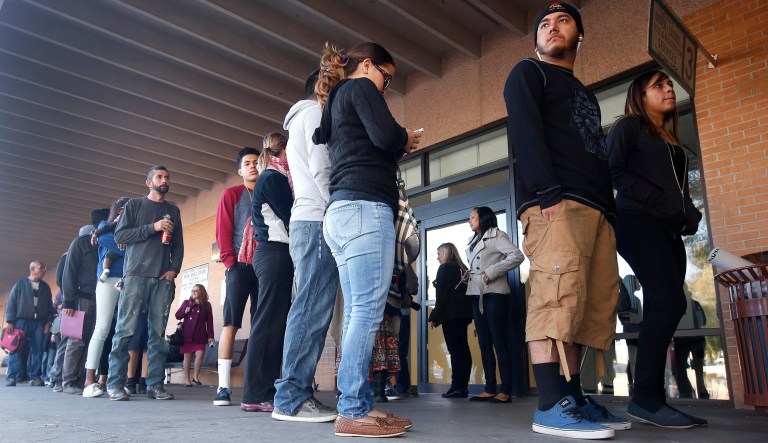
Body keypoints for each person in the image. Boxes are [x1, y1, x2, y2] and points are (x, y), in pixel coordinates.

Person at [503, 2, 630, 438]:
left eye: (563, 21)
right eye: (544, 23)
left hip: (595, 210)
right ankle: (549, 405)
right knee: (552, 300)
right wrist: (547, 194)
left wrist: (609, 212)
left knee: (581, 309)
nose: (552, 28)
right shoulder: (528, 72)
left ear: (580, 34)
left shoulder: (583, 92)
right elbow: (524, 133)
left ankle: (573, 399)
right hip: (555, 203)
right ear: (536, 39)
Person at [312, 41, 421, 438]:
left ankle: (359, 405)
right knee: (365, 313)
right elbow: (386, 135)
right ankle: (353, 409)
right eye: (386, 78)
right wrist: (404, 139)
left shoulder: (336, 102)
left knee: (360, 312)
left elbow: (352, 142)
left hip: (341, 213)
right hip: (364, 208)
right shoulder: (359, 88)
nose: (385, 87)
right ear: (368, 65)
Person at [607, 70, 704, 427]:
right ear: (640, 94)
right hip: (636, 222)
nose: (668, 90)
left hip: (667, 228)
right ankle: (645, 398)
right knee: (668, 301)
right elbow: (613, 170)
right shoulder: (629, 126)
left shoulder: (671, 138)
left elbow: (677, 191)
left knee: (671, 303)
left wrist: (688, 214)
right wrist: (658, 201)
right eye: (658, 86)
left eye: (668, 85)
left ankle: (651, 398)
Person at [272, 69, 340, 422]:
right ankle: (292, 399)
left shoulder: (302, 116)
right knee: (311, 310)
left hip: (308, 222)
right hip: (316, 221)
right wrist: (340, 210)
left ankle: (296, 394)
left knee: (311, 309)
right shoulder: (314, 113)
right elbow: (322, 169)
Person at [106, 165, 184, 401]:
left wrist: (174, 270)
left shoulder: (174, 210)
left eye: (167, 177)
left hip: (162, 278)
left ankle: (155, 385)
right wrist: (154, 227)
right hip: (135, 275)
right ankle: (115, 384)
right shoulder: (134, 205)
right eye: (159, 177)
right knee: (125, 330)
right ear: (149, 182)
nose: (164, 180)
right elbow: (120, 236)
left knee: (158, 336)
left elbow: (178, 244)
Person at [240, 132, 294, 413]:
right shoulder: (273, 177)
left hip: (274, 254)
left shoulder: (273, 176)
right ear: (285, 150)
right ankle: (255, 393)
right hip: (273, 253)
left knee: (273, 323)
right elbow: (293, 214)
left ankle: (263, 391)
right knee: (268, 324)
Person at [213, 147, 260, 406]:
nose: (253, 166)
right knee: (231, 322)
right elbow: (223, 230)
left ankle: (259, 385)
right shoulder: (231, 194)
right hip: (239, 266)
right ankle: (223, 387)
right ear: (240, 169)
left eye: (256, 162)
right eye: (248, 163)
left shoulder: (269, 192)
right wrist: (230, 262)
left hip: (265, 267)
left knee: (262, 324)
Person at [464, 207, 524, 404]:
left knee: (499, 342)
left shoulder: (497, 235)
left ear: (483, 217)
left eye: (472, 217)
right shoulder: (473, 241)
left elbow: (517, 255)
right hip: (476, 294)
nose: (469, 220)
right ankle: (490, 388)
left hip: (495, 294)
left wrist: (493, 270)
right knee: (484, 343)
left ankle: (505, 390)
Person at [83, 197, 130, 398]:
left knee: (125, 330)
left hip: (129, 280)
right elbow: (104, 239)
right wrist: (124, 241)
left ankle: (116, 380)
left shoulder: (132, 230)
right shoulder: (104, 227)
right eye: (120, 211)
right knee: (101, 328)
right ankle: (88, 381)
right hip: (108, 280)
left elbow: (135, 250)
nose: (123, 214)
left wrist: (126, 243)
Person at [60, 215, 104, 395]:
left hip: (98, 298)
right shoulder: (80, 243)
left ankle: (80, 380)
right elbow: (68, 273)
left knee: (89, 341)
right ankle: (68, 381)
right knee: (76, 341)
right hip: (80, 299)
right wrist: (68, 301)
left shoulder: (104, 243)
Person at [428, 243, 473, 398]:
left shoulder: (445, 268)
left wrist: (434, 316)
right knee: (463, 350)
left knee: (456, 352)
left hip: (451, 316)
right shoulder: (462, 269)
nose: (438, 257)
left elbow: (442, 296)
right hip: (463, 316)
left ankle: (457, 387)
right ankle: (462, 386)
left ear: (446, 252)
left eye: (439, 253)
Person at [4, 261, 53, 387]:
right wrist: (10, 321)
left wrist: (48, 322)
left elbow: (49, 307)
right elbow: (11, 303)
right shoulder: (20, 285)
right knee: (15, 349)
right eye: (41, 268)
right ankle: (12, 377)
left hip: (39, 323)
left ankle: (35, 377)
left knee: (38, 350)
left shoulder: (46, 287)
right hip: (21, 321)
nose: (44, 270)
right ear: (32, 269)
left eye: (44, 268)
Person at [175, 284, 215, 387]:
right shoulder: (187, 303)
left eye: (196, 290)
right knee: (187, 357)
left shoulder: (207, 305)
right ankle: (187, 380)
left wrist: (210, 336)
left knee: (200, 354)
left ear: (201, 292)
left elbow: (209, 322)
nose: (193, 292)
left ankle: (195, 376)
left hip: (200, 335)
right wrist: (185, 311)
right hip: (187, 334)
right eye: (192, 290)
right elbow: (177, 315)